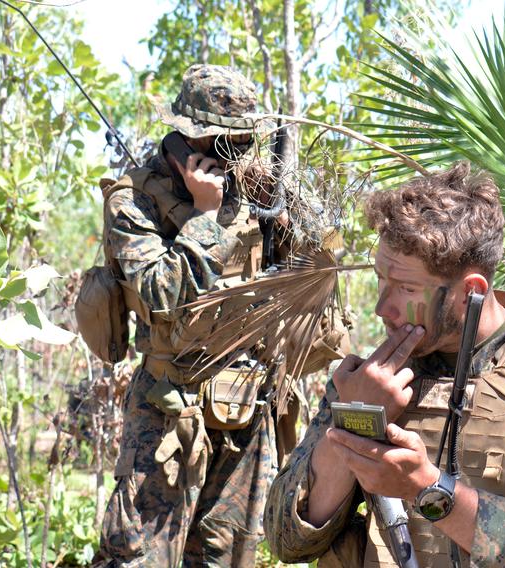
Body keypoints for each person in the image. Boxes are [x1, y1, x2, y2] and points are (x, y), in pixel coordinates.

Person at [264, 162, 505, 567]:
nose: (381, 308)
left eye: (406, 288)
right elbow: (289, 543)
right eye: (381, 280)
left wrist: (426, 489)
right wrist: (353, 420)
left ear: (470, 291)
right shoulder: (373, 381)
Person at [95, 64, 342, 566]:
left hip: (247, 408)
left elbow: (311, 280)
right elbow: (160, 292)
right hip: (168, 409)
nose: (237, 156)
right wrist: (205, 219)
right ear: (188, 139)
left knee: (229, 556)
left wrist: (297, 233)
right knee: (139, 555)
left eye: (243, 143)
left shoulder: (256, 190)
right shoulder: (135, 202)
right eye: (223, 143)